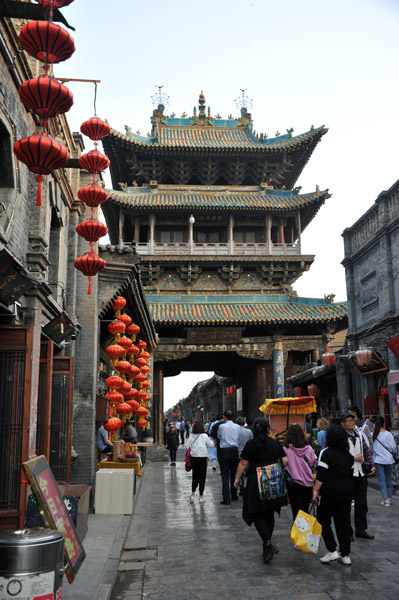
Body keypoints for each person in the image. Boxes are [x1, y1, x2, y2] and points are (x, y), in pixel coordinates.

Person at [234, 418, 287, 564]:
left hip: (255, 481)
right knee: (269, 511)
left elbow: (243, 462)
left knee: (256, 511)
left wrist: (237, 478)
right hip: (273, 480)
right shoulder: (274, 442)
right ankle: (267, 544)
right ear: (268, 429)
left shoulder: (251, 444)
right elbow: (285, 460)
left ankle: (267, 543)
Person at [312, 424, 354, 565]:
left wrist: (315, 490)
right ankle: (345, 555)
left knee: (323, 519)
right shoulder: (348, 456)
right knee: (343, 523)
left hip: (330, 492)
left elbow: (321, 475)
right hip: (347, 492)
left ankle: (331, 550)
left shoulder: (326, 452)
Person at [340, 411, 375, 539]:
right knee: (346, 505)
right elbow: (337, 455)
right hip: (347, 474)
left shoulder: (359, 434)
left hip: (360, 473)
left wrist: (371, 464)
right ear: (342, 424)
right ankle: (347, 531)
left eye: (352, 421)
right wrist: (352, 458)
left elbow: (366, 450)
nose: (350, 423)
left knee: (362, 503)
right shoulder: (340, 437)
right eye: (348, 421)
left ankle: (361, 529)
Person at [284, 424, 317, 520]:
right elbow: (314, 463)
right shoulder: (309, 449)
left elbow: (283, 464)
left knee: (296, 511)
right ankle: (304, 532)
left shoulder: (286, 449)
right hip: (308, 483)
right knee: (305, 509)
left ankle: (298, 532)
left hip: (294, 483)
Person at [372, 416, 397, 506]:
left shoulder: (374, 435)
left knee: (381, 480)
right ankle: (389, 498)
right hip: (389, 460)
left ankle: (385, 499)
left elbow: (372, 448)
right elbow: (394, 448)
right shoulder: (388, 434)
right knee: (388, 479)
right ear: (383, 423)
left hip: (378, 460)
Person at [188, 421, 214, 503]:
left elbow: (187, 445)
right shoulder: (204, 436)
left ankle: (192, 495)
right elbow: (211, 445)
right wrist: (210, 440)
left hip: (194, 458)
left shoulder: (192, 436)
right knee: (202, 477)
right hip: (202, 458)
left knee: (195, 476)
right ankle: (201, 496)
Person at [217, 411, 241, 505]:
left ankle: (226, 499)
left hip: (224, 451)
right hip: (234, 450)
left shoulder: (222, 426)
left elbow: (219, 437)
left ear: (224, 417)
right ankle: (234, 494)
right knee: (234, 474)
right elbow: (239, 438)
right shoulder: (237, 427)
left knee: (225, 475)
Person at [236, 416, 253, 494]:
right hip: (248, 454)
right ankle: (249, 488)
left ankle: (242, 488)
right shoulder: (249, 431)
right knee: (249, 472)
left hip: (238, 453)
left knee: (241, 473)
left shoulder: (235, 431)